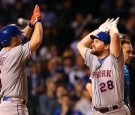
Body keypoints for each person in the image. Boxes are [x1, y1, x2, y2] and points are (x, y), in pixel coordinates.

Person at [77, 17, 130, 115]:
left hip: (116, 110)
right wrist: (98, 30)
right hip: (97, 111)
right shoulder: (92, 59)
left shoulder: (114, 59)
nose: (93, 44)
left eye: (97, 42)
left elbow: (114, 36)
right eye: (93, 42)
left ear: (107, 46)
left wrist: (112, 27)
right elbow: (80, 45)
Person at [0, 5, 43, 115]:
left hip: (5, 106)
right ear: (13, 39)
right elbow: (37, 40)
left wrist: (30, 24)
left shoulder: (3, 53)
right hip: (14, 107)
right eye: (18, 35)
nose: (21, 35)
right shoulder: (15, 54)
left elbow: (21, 38)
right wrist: (38, 21)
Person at [121, 38, 133, 106]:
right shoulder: (107, 66)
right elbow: (89, 86)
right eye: (128, 52)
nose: (131, 55)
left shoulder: (125, 68)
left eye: (131, 52)